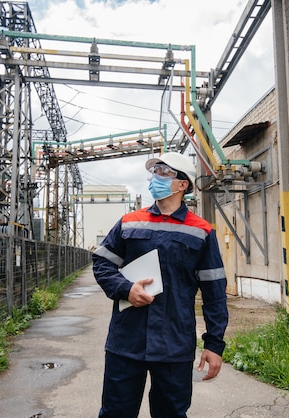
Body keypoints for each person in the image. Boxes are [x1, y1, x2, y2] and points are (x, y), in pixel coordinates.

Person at [92, 152, 229, 418]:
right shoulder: (129, 222)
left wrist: (214, 345)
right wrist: (125, 289)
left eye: (164, 172)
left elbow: (214, 293)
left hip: (174, 344)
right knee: (115, 413)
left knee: (171, 414)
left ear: (183, 185)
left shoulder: (201, 231)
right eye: (154, 171)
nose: (156, 176)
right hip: (126, 341)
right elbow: (102, 264)